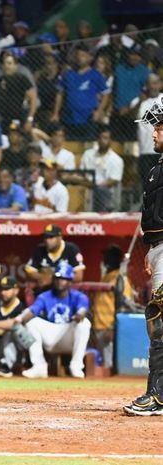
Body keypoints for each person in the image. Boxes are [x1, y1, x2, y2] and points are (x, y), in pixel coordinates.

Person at [124, 96, 163, 415]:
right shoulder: (156, 169)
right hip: (158, 249)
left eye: (159, 127)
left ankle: (158, 395)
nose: (154, 133)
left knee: (160, 318)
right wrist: (152, 256)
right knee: (157, 318)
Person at [18, 263, 91, 379]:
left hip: (69, 337)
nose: (59, 282)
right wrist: (19, 320)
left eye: (63, 279)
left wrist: (79, 315)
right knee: (31, 322)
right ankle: (39, 366)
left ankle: (76, 366)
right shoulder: (45, 296)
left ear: (70, 281)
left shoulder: (79, 297)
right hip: (50, 337)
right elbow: (33, 310)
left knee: (84, 323)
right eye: (57, 278)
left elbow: (82, 310)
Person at [92, 244, 134, 370]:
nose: (106, 259)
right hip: (99, 326)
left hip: (108, 328)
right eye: (106, 256)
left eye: (110, 256)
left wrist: (113, 328)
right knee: (103, 364)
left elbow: (125, 306)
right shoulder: (107, 276)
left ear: (117, 259)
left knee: (108, 367)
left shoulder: (121, 278)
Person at [25, 223, 85, 292]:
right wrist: (41, 277)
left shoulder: (71, 249)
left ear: (60, 237)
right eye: (45, 237)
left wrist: (52, 279)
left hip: (66, 292)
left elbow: (79, 276)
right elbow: (30, 271)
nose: (47, 241)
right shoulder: (40, 249)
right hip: (45, 292)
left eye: (51, 237)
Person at [79, 126, 124, 212]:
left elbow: (113, 180)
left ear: (111, 141)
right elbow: (81, 173)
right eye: (100, 138)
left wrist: (96, 186)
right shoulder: (88, 154)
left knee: (101, 191)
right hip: (87, 187)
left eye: (105, 138)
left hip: (105, 192)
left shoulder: (116, 159)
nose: (102, 141)